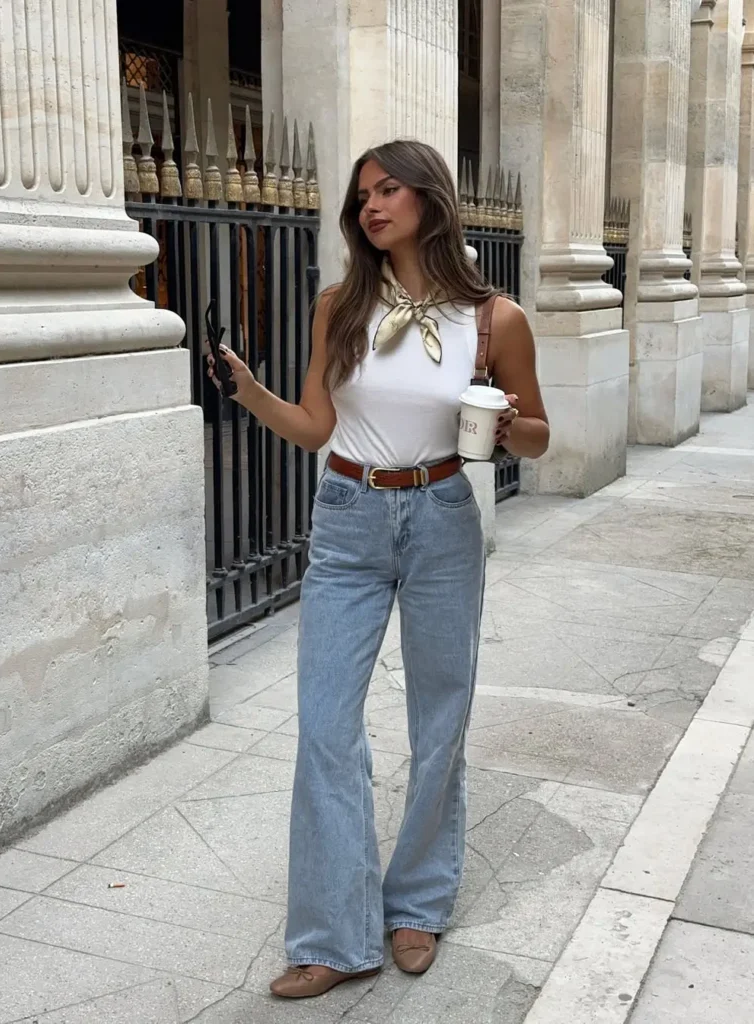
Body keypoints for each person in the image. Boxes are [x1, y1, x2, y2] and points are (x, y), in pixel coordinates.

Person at [207, 139, 549, 999]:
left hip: (441, 515)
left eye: (388, 189)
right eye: (362, 195)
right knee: (325, 725)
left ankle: (417, 906)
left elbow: (541, 432)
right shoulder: (340, 306)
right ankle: (333, 933)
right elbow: (317, 426)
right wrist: (248, 390)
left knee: (441, 722)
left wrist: (510, 429)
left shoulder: (494, 319)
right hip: (349, 516)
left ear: (429, 198)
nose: (371, 206)